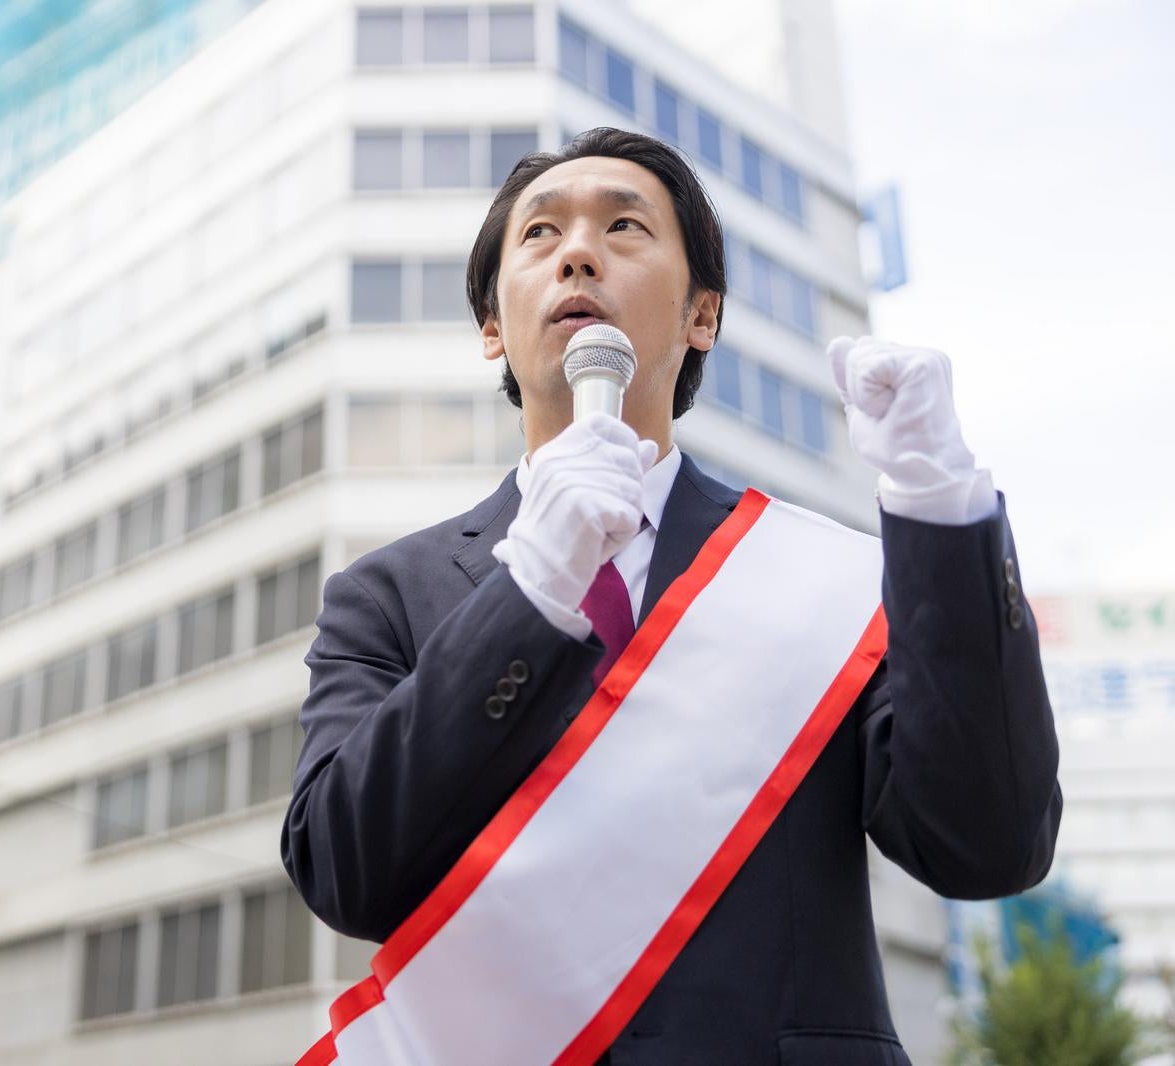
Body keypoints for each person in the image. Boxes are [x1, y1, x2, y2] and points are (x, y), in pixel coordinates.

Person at [281, 127, 1061, 1064]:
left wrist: (943, 516)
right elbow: (345, 872)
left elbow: (986, 846)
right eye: (539, 236)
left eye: (623, 226)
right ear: (492, 323)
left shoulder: (817, 575)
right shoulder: (384, 595)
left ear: (702, 315)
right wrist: (532, 590)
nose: (577, 251)